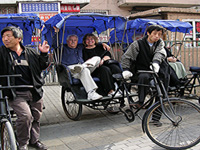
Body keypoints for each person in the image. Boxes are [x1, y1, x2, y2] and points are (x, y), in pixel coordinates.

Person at [0, 26, 49, 150]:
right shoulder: (1, 53)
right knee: (25, 116)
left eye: (8, 36)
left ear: (18, 39)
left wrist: (43, 54)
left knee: (36, 117)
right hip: (15, 92)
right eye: (3, 37)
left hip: (34, 90)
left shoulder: (30, 52)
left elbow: (42, 66)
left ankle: (35, 140)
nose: (5, 39)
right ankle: (23, 143)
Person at [121, 25, 167, 126]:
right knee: (143, 77)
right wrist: (125, 69)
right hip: (142, 70)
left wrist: (156, 62)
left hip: (157, 69)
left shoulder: (160, 43)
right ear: (148, 33)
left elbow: (160, 53)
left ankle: (156, 118)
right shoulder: (138, 44)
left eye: (159, 34)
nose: (157, 36)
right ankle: (141, 100)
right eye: (154, 34)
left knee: (161, 92)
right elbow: (127, 57)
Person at [52, 27, 111, 100]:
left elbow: (91, 42)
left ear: (77, 41)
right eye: (71, 40)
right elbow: (54, 43)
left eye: (75, 40)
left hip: (83, 67)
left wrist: (103, 43)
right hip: (71, 69)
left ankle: (91, 92)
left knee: (97, 58)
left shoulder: (80, 47)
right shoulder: (62, 48)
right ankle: (91, 92)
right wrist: (56, 32)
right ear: (67, 41)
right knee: (83, 70)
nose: (73, 42)